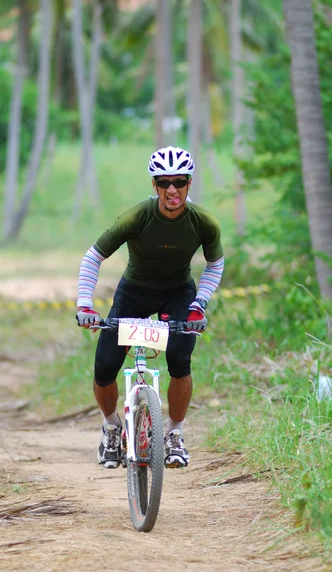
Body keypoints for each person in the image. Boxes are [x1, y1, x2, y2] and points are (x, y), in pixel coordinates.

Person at [76, 146, 224, 470]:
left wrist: (199, 305)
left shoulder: (204, 223)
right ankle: (112, 426)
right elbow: (93, 256)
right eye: (164, 181)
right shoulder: (137, 216)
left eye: (180, 181)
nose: (173, 189)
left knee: (180, 360)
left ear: (189, 183)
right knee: (104, 367)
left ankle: (174, 434)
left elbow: (215, 264)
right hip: (135, 294)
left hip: (179, 294)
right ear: (155, 185)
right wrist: (85, 303)